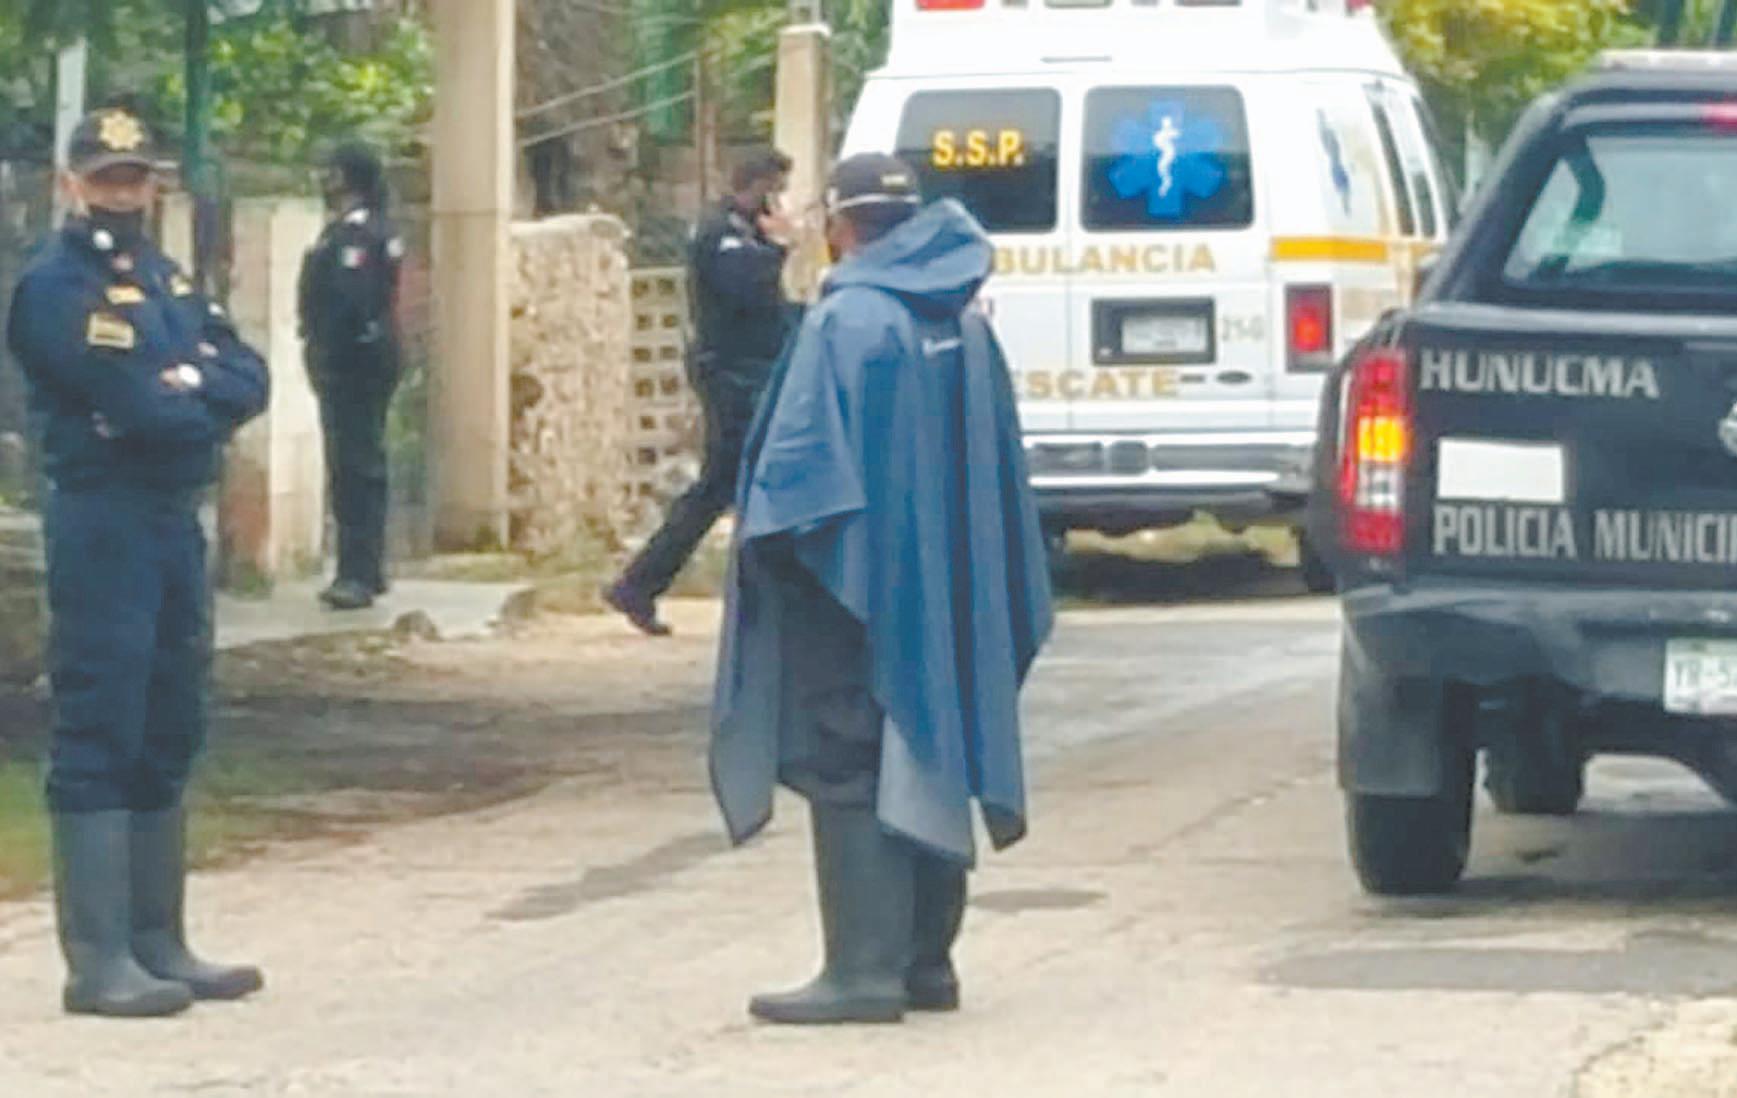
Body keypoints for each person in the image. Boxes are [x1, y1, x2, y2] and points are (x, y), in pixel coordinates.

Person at [710, 154, 1054, 1025]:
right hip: (948, 580)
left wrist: (772, 561)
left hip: (853, 579)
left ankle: (860, 971)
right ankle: (926, 963)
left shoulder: (848, 319)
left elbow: (799, 478)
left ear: (839, 225)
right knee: (938, 738)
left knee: (846, 753)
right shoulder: (963, 321)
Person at [6, 107, 270, 1017]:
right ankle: (100, 958)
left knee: (170, 713)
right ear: (71, 184)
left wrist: (185, 385)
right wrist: (190, 390)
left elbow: (248, 376)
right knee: (103, 714)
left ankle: (160, 940)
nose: (122, 194)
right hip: (103, 518)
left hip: (168, 516)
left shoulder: (165, 277)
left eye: (135, 178)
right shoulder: (53, 286)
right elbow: (132, 403)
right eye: (106, 178)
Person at [604, 148, 795, 636]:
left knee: (729, 485)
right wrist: (779, 247)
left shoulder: (744, 231)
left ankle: (642, 585)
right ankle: (641, 584)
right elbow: (746, 289)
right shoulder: (721, 232)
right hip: (731, 373)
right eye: (774, 188)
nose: (778, 200)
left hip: (752, 368)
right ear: (755, 185)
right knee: (723, 483)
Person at [298, 141, 405, 611]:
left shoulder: (358, 235)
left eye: (334, 173)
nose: (326, 182)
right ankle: (366, 568)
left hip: (355, 362)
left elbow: (351, 301)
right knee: (360, 465)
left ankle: (357, 573)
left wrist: (327, 350)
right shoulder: (359, 229)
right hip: (359, 359)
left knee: (355, 468)